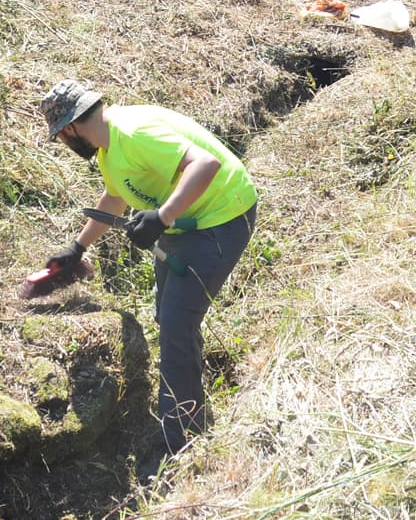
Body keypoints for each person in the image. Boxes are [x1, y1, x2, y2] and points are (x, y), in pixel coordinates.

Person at [38, 79, 259, 455]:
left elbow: (206, 163)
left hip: (222, 215)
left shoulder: (133, 131)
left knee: (176, 320)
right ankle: (189, 404)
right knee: (170, 316)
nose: (64, 144)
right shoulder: (109, 146)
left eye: (59, 137)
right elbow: (114, 198)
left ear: (70, 128)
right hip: (185, 219)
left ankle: (180, 438)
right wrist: (77, 248)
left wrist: (162, 215)